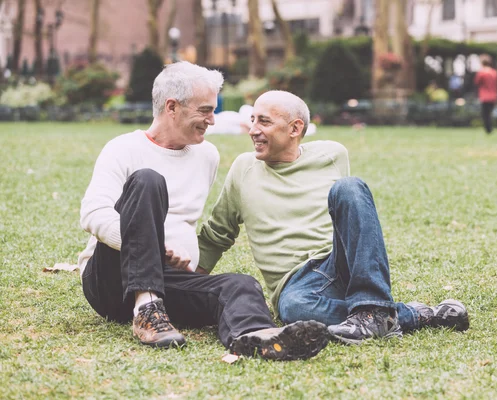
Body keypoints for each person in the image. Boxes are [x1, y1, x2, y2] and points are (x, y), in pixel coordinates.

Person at [78, 63, 328, 361]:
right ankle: (146, 307)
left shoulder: (206, 155)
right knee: (148, 179)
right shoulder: (123, 148)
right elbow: (93, 214)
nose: (212, 120)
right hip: (112, 281)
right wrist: (153, 247)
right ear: (172, 107)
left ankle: (257, 339)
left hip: (169, 280)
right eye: (206, 110)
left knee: (240, 284)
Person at [197, 90, 470, 345]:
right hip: (296, 285)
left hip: (339, 264)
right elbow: (217, 234)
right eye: (253, 120)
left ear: (295, 128)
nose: (254, 130)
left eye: (264, 122)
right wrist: (180, 286)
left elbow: (349, 214)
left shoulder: (332, 154)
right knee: (294, 309)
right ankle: (398, 315)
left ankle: (372, 307)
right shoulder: (243, 168)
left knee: (349, 187)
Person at [474, 54, 497, 134]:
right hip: (493, 96)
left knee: (485, 114)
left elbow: (477, 82)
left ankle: (488, 129)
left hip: (484, 96)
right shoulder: (494, 72)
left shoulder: (481, 73)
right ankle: (490, 128)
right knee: (490, 113)